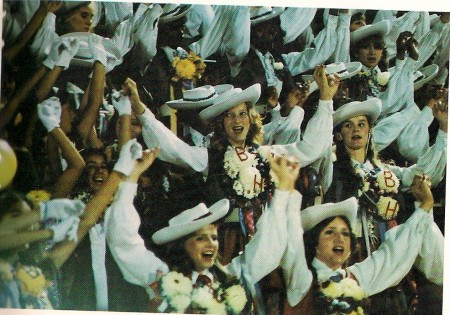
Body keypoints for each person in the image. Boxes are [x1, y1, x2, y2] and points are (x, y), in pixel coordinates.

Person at [124, 64, 338, 264]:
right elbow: (174, 148)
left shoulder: (265, 154)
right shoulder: (208, 157)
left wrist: (326, 100)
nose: (237, 121)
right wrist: (140, 110)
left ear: (250, 118)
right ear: (220, 124)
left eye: (242, 114)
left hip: (265, 239)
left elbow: (309, 149)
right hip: (227, 242)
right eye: (230, 116)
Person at [104, 154, 302, 314]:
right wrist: (130, 181)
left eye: (214, 237)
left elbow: (267, 249)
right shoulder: (161, 276)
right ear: (181, 244)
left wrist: (284, 189)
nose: (211, 244)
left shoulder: (227, 277)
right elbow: (123, 240)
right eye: (200, 238)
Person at [324, 97, 446, 314]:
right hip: (355, 251)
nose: (356, 130)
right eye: (348, 125)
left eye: (361, 124)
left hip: (388, 248)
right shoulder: (332, 170)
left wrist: (444, 130)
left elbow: (421, 176)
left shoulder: (386, 171)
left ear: (370, 130)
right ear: (339, 135)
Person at [282, 174, 443, 314]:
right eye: (330, 232)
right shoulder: (301, 279)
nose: (340, 238)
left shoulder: (353, 278)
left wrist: (425, 205)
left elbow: (390, 257)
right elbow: (291, 243)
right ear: (314, 243)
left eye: (345, 233)